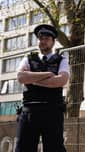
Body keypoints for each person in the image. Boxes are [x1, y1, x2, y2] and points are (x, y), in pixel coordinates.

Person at [15, 24, 69, 152]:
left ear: (53, 41)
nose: (42, 41)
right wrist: (48, 75)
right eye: (40, 38)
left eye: (46, 38)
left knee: (54, 148)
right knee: (23, 148)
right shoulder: (28, 59)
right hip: (29, 111)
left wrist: (32, 80)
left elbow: (61, 80)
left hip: (52, 111)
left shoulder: (62, 60)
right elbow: (21, 77)